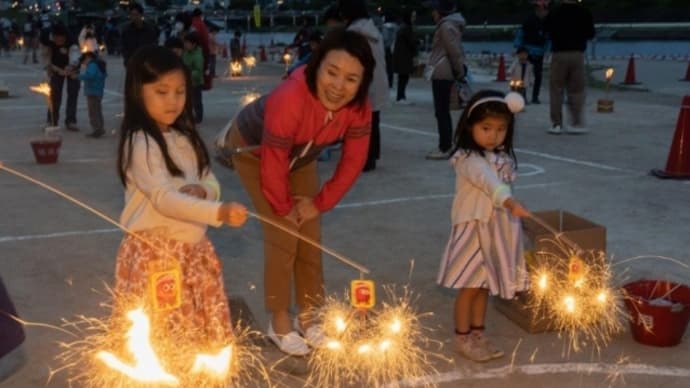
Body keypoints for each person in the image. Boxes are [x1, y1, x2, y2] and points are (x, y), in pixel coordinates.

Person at [215, 27, 374, 356]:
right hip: (253, 150)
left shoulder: (359, 109)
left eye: (351, 79)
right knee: (284, 233)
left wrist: (319, 203)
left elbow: (353, 162)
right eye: (332, 72)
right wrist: (283, 205)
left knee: (310, 235)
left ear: (362, 83)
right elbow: (272, 163)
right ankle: (279, 320)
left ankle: (309, 315)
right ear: (317, 66)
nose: (338, 86)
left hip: (302, 156)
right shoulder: (291, 98)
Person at [114, 46, 248, 359]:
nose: (173, 101)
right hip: (157, 256)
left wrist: (205, 193)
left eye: (179, 92)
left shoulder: (185, 137)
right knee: (164, 338)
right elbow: (163, 198)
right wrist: (218, 211)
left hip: (193, 251)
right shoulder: (140, 142)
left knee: (199, 329)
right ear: (138, 92)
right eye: (161, 91)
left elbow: (209, 179)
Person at [437, 90, 530, 362]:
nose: (494, 135)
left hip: (495, 231)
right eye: (486, 128)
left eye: (501, 129)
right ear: (469, 126)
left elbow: (498, 180)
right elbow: (489, 181)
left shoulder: (499, 157)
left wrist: (509, 206)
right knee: (469, 286)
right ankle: (462, 338)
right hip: (473, 230)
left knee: (484, 286)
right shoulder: (468, 159)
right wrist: (510, 201)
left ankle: (478, 334)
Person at [339, 0, 388, 172]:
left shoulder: (354, 33)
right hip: (378, 82)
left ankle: (362, 159)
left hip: (364, 83)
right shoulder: (373, 30)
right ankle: (372, 157)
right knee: (373, 122)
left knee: (359, 124)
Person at [543, 0, 594, 135]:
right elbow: (591, 33)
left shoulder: (555, 12)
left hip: (559, 54)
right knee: (577, 90)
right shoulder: (584, 12)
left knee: (556, 89)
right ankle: (576, 123)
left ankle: (556, 124)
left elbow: (546, 30)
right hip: (577, 54)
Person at [426, 0, 466, 160]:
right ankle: (446, 145)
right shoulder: (448, 25)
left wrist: (459, 71)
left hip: (443, 71)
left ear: (441, 11)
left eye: (434, 10)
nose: (432, 13)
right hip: (444, 70)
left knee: (441, 111)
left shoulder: (446, 26)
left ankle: (445, 147)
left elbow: (454, 51)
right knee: (442, 111)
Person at [40, 23, 80, 131]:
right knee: (54, 93)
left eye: (62, 40)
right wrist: (49, 67)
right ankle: (52, 120)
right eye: (57, 40)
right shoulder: (45, 38)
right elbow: (45, 54)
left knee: (73, 91)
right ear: (53, 36)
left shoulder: (72, 41)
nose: (59, 42)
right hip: (55, 66)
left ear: (65, 37)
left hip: (71, 67)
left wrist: (70, 68)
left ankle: (71, 121)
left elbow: (75, 58)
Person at [513, 0, 550, 104]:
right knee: (523, 75)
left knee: (538, 75)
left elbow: (549, 39)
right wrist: (518, 47)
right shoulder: (529, 20)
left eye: (543, 11)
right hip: (527, 51)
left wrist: (547, 51)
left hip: (540, 52)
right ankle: (523, 95)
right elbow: (520, 34)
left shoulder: (548, 22)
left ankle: (535, 97)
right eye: (539, 10)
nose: (541, 13)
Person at [76, 51, 107, 138]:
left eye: (83, 61)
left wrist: (78, 76)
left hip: (92, 91)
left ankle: (97, 129)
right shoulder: (99, 64)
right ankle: (100, 128)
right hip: (97, 91)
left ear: (88, 58)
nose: (84, 64)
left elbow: (90, 76)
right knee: (97, 111)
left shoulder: (92, 65)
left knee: (93, 112)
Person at [120, 2, 159, 67]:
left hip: (146, 63)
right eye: (132, 15)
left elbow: (154, 46)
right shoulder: (126, 30)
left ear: (141, 15)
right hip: (131, 63)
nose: (134, 17)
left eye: (136, 15)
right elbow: (123, 47)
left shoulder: (150, 30)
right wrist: (127, 59)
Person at [392, 9, 417, 105]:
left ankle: (401, 96)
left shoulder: (403, 27)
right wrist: (418, 43)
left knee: (402, 78)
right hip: (404, 57)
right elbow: (411, 42)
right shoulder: (407, 28)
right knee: (403, 78)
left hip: (401, 56)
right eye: (413, 16)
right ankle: (401, 96)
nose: (414, 18)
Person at [182, 32, 204, 124]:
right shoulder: (185, 53)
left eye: (187, 43)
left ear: (194, 44)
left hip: (196, 83)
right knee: (187, 100)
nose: (185, 45)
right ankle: (188, 116)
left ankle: (198, 117)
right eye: (185, 43)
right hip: (186, 81)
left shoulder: (198, 56)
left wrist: (187, 73)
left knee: (196, 101)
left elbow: (198, 71)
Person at [381, 13, 398, 89]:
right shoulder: (396, 27)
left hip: (386, 48)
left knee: (385, 66)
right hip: (394, 48)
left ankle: (386, 82)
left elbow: (384, 38)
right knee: (391, 67)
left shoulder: (385, 27)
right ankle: (390, 82)